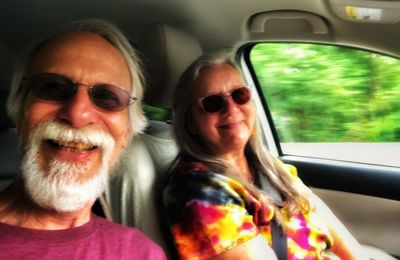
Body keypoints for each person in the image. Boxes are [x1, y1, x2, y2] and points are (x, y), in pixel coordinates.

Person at [162, 52, 367, 259]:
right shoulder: (198, 193)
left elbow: (330, 228)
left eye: (239, 94)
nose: (231, 108)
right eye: (213, 103)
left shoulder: (269, 167)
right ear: (190, 122)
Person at [0, 19, 166, 260]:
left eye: (107, 96)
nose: (78, 114)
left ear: (126, 135)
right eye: (53, 87)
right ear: (20, 112)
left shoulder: (143, 254)